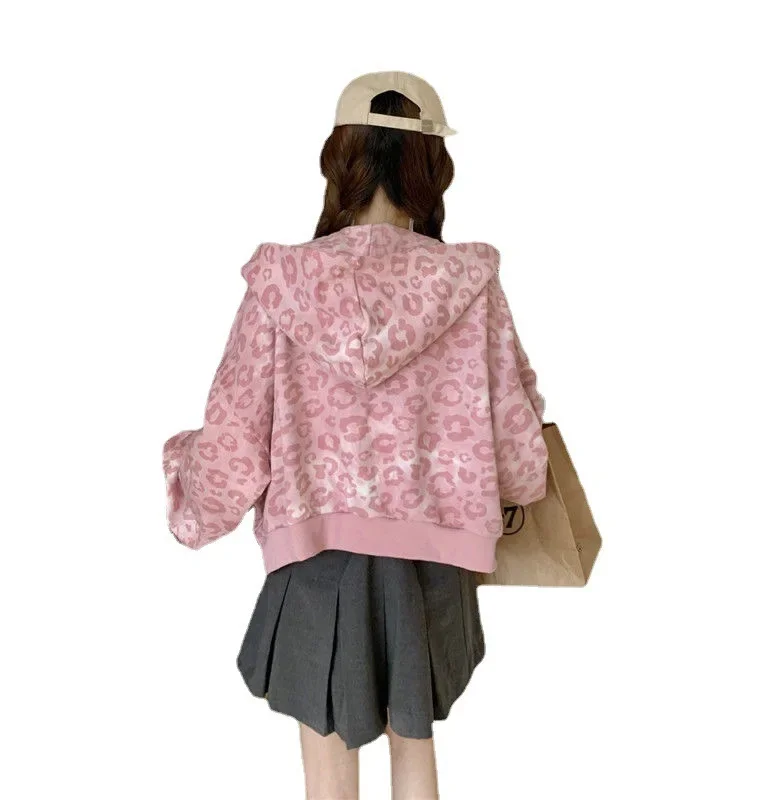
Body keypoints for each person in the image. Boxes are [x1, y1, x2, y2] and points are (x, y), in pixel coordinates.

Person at [162, 71, 547, 800]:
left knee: (327, 769)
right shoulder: (470, 284)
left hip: (315, 560)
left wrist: (190, 501)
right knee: (416, 751)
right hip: (436, 561)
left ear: (338, 158)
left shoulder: (284, 281)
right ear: (433, 165)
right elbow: (518, 447)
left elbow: (235, 438)